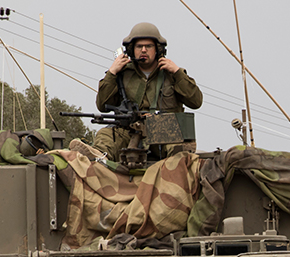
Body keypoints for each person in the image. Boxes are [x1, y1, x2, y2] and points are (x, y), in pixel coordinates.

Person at [72, 22, 204, 162]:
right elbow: (102, 105)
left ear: (158, 49)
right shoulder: (122, 73)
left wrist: (178, 73)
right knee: (106, 135)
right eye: (139, 46)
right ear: (131, 49)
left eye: (149, 46)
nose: (144, 50)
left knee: (178, 151)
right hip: (128, 131)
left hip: (164, 131)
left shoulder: (171, 74)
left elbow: (196, 101)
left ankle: (179, 162)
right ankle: (97, 156)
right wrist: (112, 73)